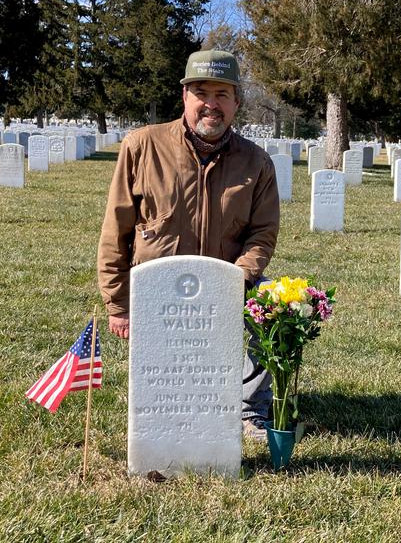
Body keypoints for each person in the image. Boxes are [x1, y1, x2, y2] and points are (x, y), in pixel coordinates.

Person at [96, 49, 280, 441]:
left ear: (237, 103)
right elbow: (117, 229)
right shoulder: (142, 146)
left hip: (228, 286)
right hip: (158, 289)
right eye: (201, 92)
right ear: (184, 97)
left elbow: (262, 234)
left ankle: (248, 410)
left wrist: (239, 279)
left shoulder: (257, 162)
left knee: (276, 309)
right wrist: (118, 304)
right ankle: (168, 404)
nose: (211, 104)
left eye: (222, 95)